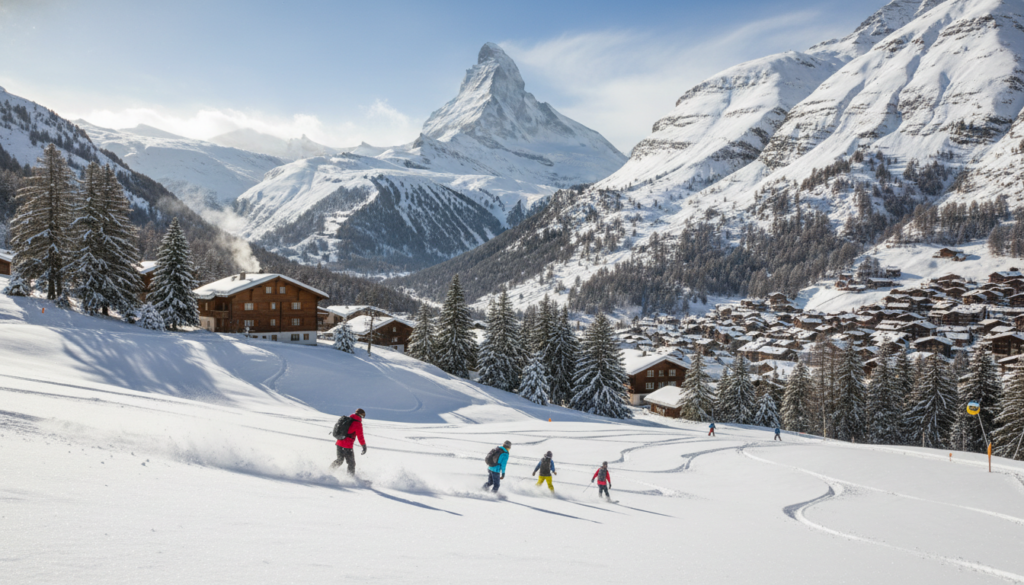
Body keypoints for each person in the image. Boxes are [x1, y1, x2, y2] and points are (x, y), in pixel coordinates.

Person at [330, 408, 367, 475]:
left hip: (339, 443)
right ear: (361, 415)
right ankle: (350, 478)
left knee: (339, 460)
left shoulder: (347, 419)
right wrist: (364, 446)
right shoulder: (358, 424)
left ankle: (329, 471)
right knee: (351, 463)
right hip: (347, 446)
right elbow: (360, 437)